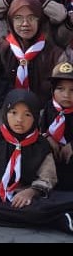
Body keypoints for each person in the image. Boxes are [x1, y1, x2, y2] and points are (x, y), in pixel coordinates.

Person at [0, 88, 73, 235]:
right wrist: (3, 193)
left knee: (49, 202)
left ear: (35, 116)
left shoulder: (41, 144)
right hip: (3, 194)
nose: (19, 120)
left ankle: (44, 215)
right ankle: (59, 220)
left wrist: (31, 192)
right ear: (5, 113)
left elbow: (48, 177)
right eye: (13, 113)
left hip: (34, 194)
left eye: (27, 114)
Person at [0, 0, 66, 102]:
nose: (25, 24)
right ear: (10, 21)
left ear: (40, 21)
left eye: (31, 18)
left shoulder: (55, 54)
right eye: (18, 18)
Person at [41, 61, 73, 191]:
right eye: (60, 89)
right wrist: (48, 137)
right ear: (52, 90)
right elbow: (41, 129)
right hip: (53, 158)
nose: (66, 95)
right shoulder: (49, 107)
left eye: (72, 90)